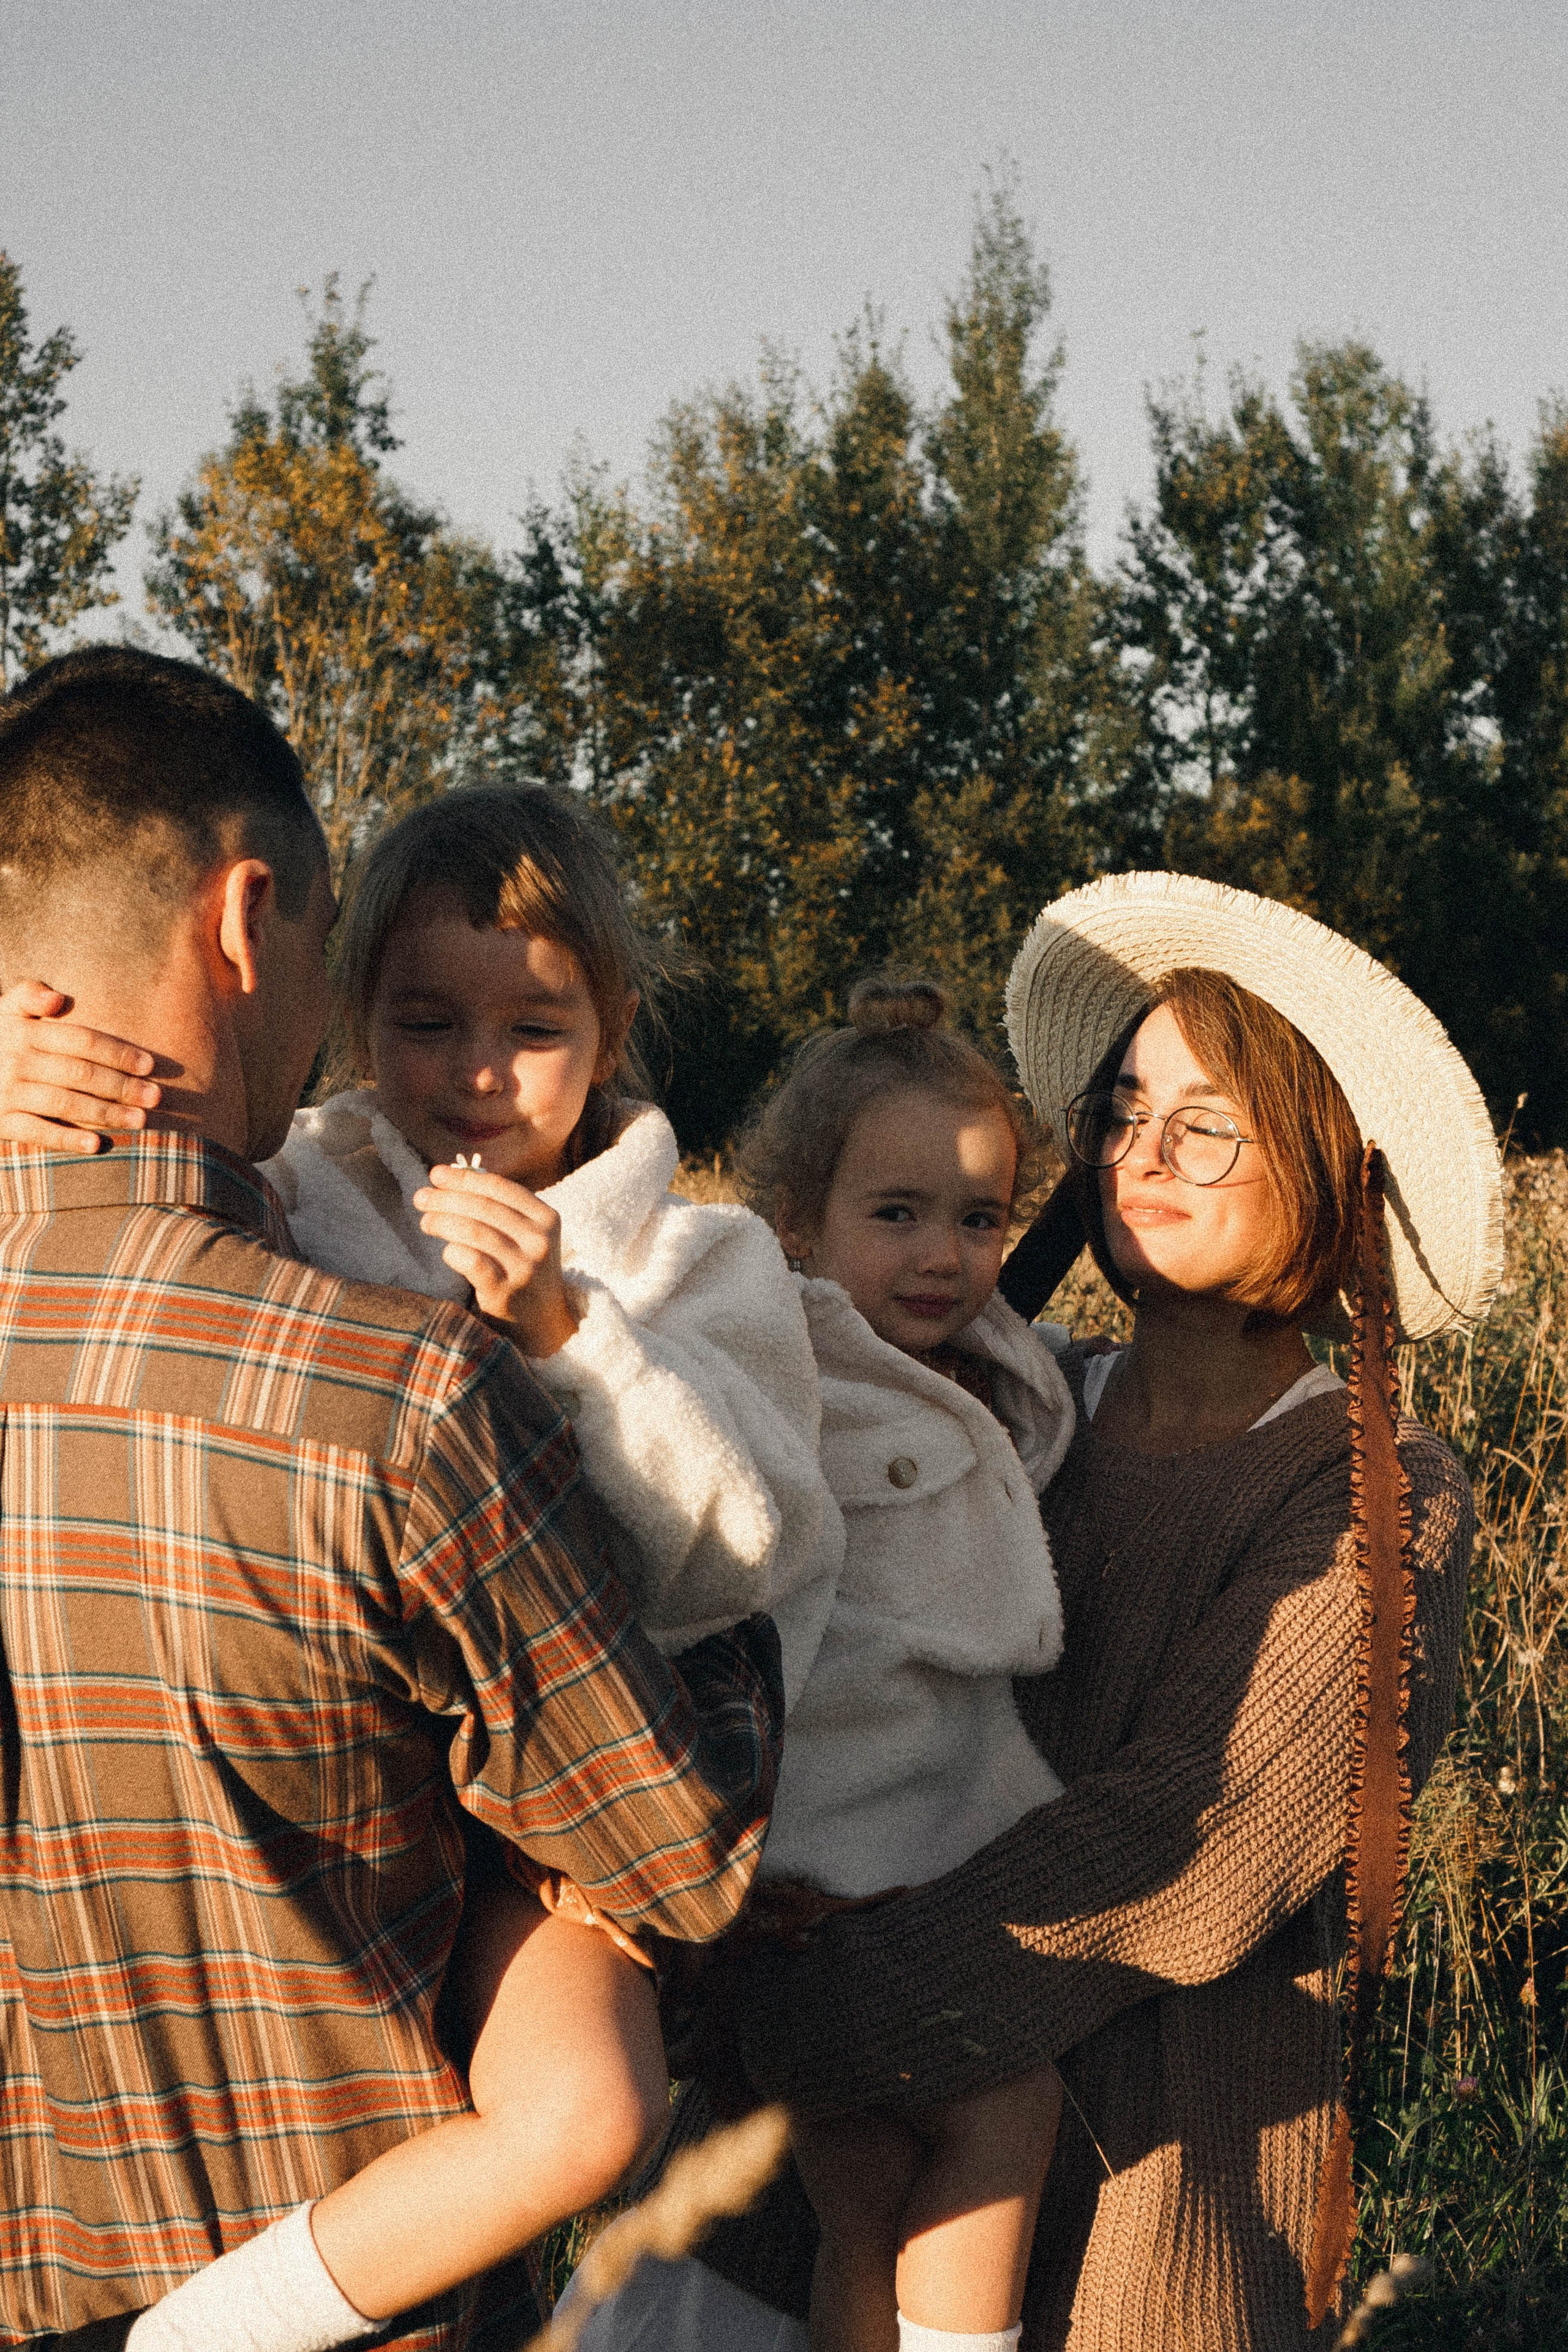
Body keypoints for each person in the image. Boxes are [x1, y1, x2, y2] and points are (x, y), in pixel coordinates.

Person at [569, 872, 1497, 2352]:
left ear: (1327, 1165)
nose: (1142, 1156)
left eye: (1205, 1126)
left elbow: (1185, 1846)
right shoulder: (1003, 1408)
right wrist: (708, 1911)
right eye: (1124, 1112)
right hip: (789, 2203)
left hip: (1130, 2214)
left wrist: (807, 2014)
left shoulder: (1373, 1494)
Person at [0, 649, 784, 2352]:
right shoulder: (388, 1393)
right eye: (416, 1019)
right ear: (247, 919)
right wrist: (739, 1666)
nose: (468, 1073)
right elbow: (686, 1850)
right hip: (347, 2290)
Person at [729, 976, 1074, 2352]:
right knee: (1004, 2107)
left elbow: (1016, 1409)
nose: (943, 1255)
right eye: (896, 1215)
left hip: (870, 1862)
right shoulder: (788, 1384)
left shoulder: (985, 1368)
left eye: (980, 1219)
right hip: (853, 1861)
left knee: (864, 2209)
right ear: (795, 1227)